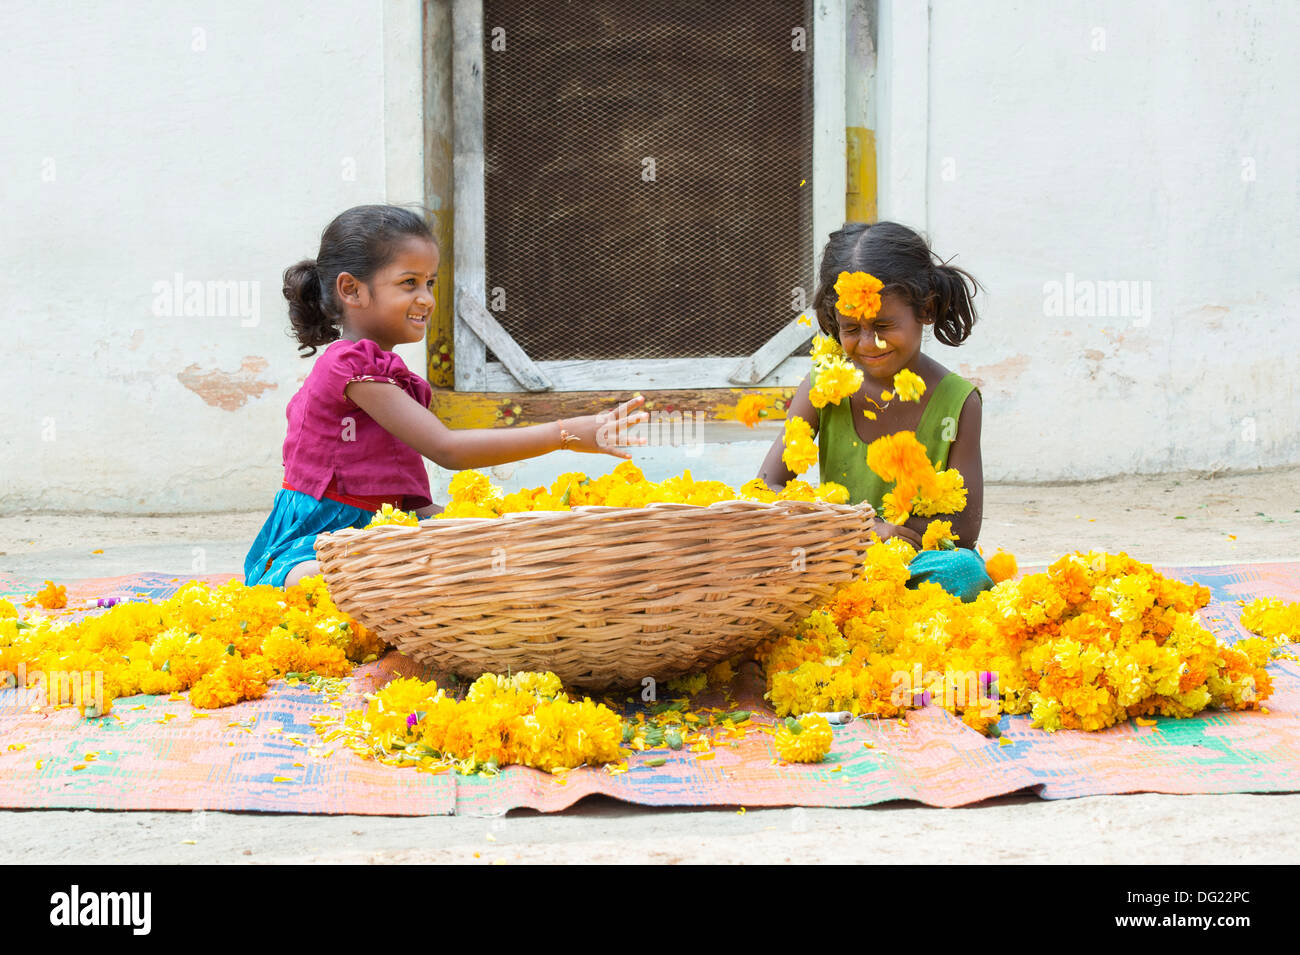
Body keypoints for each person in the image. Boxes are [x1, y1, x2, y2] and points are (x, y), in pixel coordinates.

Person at [245, 204, 646, 587]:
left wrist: (484, 520)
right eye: (409, 283)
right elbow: (448, 450)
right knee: (331, 577)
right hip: (325, 535)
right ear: (352, 290)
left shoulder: (392, 377)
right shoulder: (348, 366)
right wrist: (564, 434)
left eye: (430, 283)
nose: (427, 299)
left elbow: (411, 503)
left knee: (486, 548)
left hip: (387, 532)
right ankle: (292, 579)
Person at [757, 221, 993, 601]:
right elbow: (766, 485)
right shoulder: (824, 386)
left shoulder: (958, 402)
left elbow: (964, 528)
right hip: (830, 557)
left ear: (926, 311)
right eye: (851, 328)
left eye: (884, 325)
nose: (869, 343)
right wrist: (856, 530)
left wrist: (888, 536)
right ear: (834, 321)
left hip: (913, 564)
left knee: (963, 570)